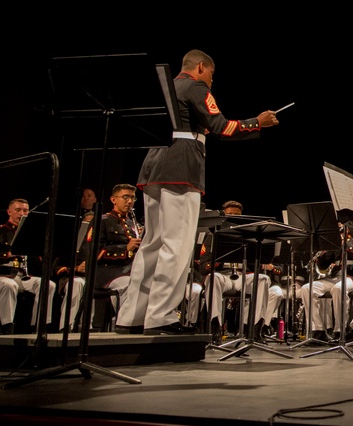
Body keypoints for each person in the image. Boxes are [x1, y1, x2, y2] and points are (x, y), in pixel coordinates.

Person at [114, 50, 279, 336]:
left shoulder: (167, 86)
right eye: (212, 75)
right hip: (181, 168)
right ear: (201, 67)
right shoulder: (195, 86)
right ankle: (161, 316)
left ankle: (132, 316)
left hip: (153, 165)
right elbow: (221, 127)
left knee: (152, 243)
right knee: (176, 245)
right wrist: (257, 122)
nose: (212, 82)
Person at [63, 183, 140, 331]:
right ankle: (125, 325)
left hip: (127, 269)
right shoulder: (102, 220)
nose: (130, 201)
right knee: (130, 284)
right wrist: (125, 248)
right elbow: (93, 251)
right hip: (104, 272)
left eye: (132, 198)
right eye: (125, 197)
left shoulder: (132, 223)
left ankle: (135, 322)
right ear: (113, 199)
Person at [198, 200, 276, 342]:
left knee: (263, 279)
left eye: (237, 216)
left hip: (243, 275)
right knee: (212, 279)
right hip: (223, 275)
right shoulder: (212, 235)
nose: (233, 219)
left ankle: (254, 330)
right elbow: (203, 267)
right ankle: (216, 328)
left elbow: (259, 264)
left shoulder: (249, 236)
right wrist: (220, 258)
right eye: (229, 216)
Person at [0, 198, 57, 333]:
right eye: (18, 210)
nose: (22, 213)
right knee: (8, 284)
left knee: (48, 284)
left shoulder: (30, 235)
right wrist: (7, 255)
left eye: (25, 210)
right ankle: (7, 326)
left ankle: (39, 326)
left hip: (21, 276)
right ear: (9, 212)